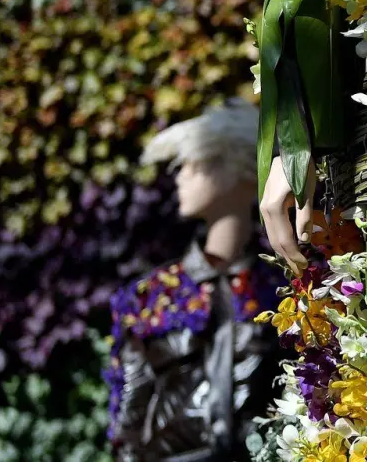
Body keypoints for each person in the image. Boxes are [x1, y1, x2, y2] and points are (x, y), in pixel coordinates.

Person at [107, 104, 285, 462]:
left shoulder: (279, 292)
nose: (180, 176)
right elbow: (128, 408)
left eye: (196, 163)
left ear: (238, 170)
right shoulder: (154, 295)